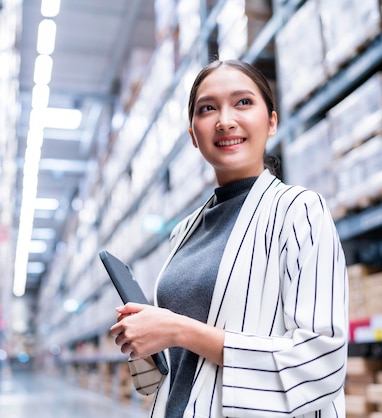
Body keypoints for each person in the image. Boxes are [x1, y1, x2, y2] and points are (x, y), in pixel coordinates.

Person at [110, 59, 348, 418]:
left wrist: (178, 329)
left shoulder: (298, 211)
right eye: (208, 108)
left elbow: (320, 362)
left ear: (271, 121)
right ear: (193, 134)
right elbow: (173, 372)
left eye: (243, 102)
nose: (224, 120)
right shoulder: (184, 231)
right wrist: (145, 338)